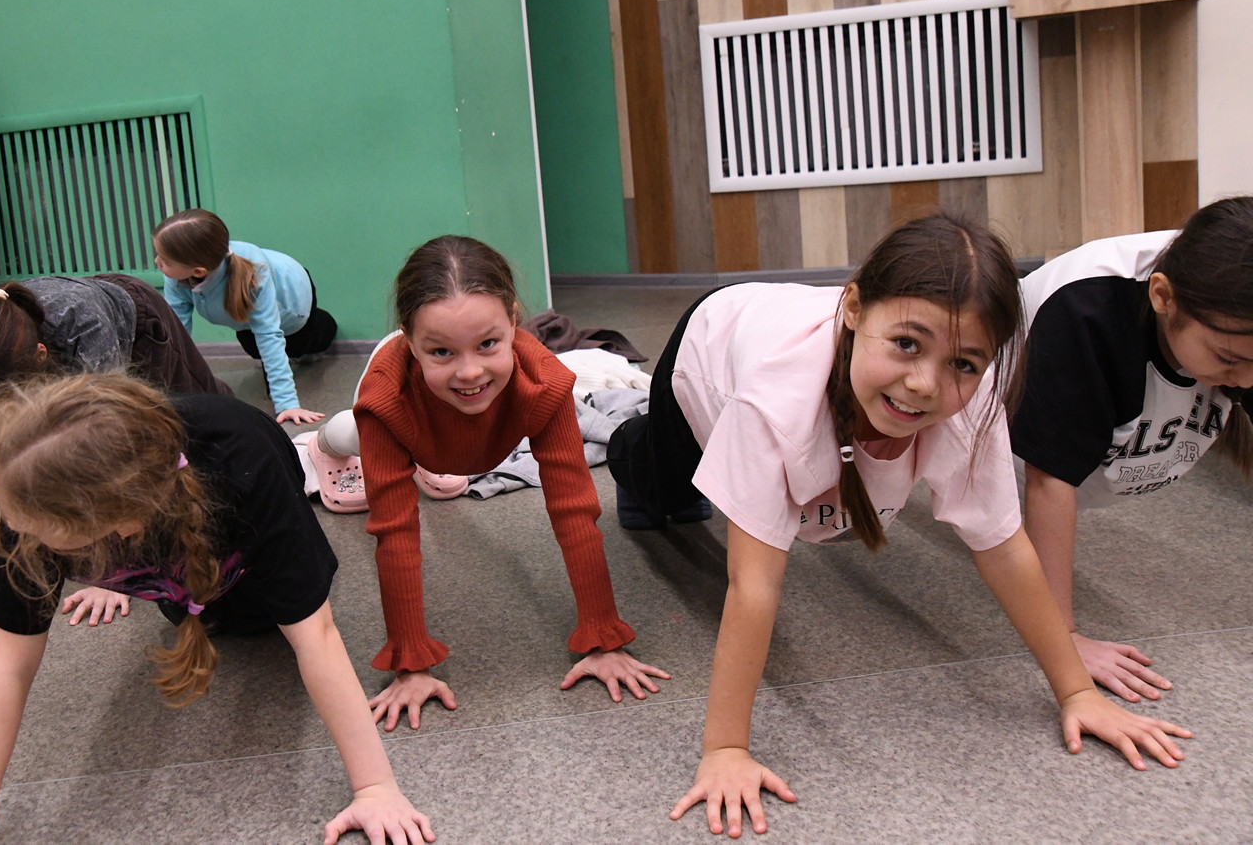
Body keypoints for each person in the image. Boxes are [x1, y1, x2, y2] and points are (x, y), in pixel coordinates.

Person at [608, 213, 1190, 839]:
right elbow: (753, 585)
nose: (925, 384)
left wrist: (1077, 693)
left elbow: (1003, 546)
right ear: (854, 308)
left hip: (813, 379)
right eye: (907, 345)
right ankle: (624, 432)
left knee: (831, 466)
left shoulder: (973, 401)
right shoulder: (771, 402)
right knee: (663, 491)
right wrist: (726, 749)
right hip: (712, 342)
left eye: (963, 363)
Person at [0, 374, 433, 845]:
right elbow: (6, 672)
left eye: (38, 534)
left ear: (121, 523)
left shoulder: (241, 464)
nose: (18, 534)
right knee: (201, 616)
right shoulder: (31, 494)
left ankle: (319, 449)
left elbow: (316, 636)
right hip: (178, 566)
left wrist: (375, 788)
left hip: (248, 519)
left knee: (263, 620)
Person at [311, 235, 667, 731]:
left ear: (514, 322)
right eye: (441, 351)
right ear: (409, 342)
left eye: (487, 344)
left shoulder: (543, 384)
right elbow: (395, 534)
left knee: (448, 476)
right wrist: (410, 664)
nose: (470, 371)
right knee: (347, 431)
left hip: (464, 434)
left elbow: (573, 508)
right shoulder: (386, 401)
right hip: (402, 423)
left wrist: (603, 637)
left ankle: (438, 455)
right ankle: (319, 445)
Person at [1016, 197, 1253, 703]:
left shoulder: (1230, 317)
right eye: (1230, 359)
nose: (1248, 380)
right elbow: (1048, 479)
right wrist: (1063, 638)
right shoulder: (1084, 310)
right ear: (1163, 297)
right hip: (1005, 442)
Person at [0, 276, 232, 642]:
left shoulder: (84, 325)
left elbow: (115, 445)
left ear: (41, 358)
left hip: (131, 319)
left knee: (197, 422)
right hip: (44, 329)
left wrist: (111, 577)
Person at [153, 209, 337, 425]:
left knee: (298, 346)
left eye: (165, 261)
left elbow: (268, 335)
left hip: (292, 298)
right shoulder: (176, 275)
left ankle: (327, 326)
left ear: (199, 271)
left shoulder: (254, 279)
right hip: (246, 312)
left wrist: (287, 403)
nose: (157, 262)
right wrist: (161, 393)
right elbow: (176, 333)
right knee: (253, 348)